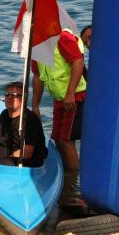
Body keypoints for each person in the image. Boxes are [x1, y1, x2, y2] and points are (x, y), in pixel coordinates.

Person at [32, 27, 87, 206]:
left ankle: (72, 186)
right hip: (59, 98)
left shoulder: (62, 38)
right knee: (57, 138)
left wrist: (70, 93)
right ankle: (63, 178)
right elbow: (38, 76)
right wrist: (35, 105)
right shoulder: (36, 45)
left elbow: (78, 62)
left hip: (75, 96)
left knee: (66, 140)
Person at [0, 81, 47, 167]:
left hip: (25, 163)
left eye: (15, 95)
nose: (9, 97)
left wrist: (5, 161)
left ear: (24, 99)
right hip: (3, 158)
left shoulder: (30, 120)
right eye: (7, 94)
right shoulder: (4, 114)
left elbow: (27, 153)